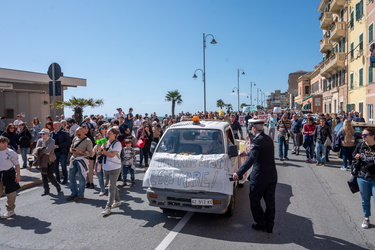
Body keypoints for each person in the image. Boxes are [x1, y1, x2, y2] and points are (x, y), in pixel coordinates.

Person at [233, 119, 277, 233]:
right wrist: (247, 153)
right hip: (271, 176)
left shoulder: (257, 141)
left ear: (253, 128)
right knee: (270, 202)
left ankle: (261, 223)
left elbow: (251, 159)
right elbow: (260, 154)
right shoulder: (268, 139)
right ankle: (270, 225)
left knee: (255, 200)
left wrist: (238, 173)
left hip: (259, 177)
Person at [352, 127, 375, 229]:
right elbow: (353, 154)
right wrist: (356, 156)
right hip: (363, 177)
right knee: (365, 200)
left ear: (372, 136)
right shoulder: (360, 145)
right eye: (362, 135)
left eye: (365, 135)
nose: (362, 137)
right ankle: (366, 219)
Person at [99, 127, 122, 216]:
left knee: (111, 187)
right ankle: (118, 201)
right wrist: (101, 147)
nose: (107, 135)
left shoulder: (117, 144)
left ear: (115, 135)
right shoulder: (106, 142)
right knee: (112, 185)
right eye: (107, 133)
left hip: (115, 168)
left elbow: (112, 155)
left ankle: (108, 207)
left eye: (109, 133)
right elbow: (99, 153)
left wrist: (102, 150)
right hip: (106, 167)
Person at [66, 127, 93, 201]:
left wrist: (80, 152)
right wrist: (71, 150)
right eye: (76, 133)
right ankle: (73, 193)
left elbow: (90, 153)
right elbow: (71, 147)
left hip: (82, 160)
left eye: (79, 134)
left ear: (83, 132)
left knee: (81, 178)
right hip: (74, 159)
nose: (77, 135)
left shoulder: (88, 141)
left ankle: (80, 194)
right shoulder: (75, 138)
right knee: (71, 177)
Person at [34, 128, 61, 196]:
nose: (42, 135)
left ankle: (57, 186)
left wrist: (41, 151)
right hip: (42, 160)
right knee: (43, 175)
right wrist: (42, 151)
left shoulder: (52, 140)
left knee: (50, 175)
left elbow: (48, 150)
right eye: (41, 134)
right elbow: (36, 150)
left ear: (48, 134)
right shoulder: (39, 140)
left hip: (50, 159)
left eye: (44, 134)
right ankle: (46, 190)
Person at [0, 136, 21, 219]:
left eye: (6, 142)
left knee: (11, 193)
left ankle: (10, 210)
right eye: (3, 142)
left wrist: (18, 175)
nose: (5, 144)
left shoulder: (11, 152)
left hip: (9, 174)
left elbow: (17, 164)